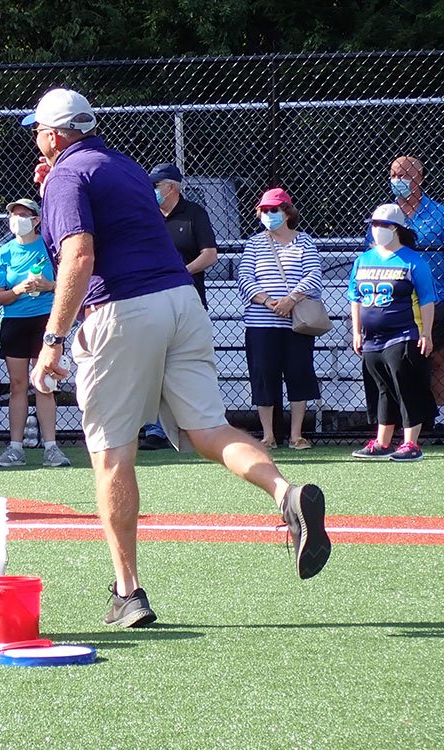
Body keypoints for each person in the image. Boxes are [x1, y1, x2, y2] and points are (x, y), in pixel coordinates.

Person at [22, 87, 331, 628]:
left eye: (38, 133)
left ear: (53, 135)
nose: (36, 143)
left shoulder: (68, 175)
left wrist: (51, 341)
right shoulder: (123, 166)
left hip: (121, 309)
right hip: (182, 303)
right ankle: (286, 492)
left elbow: (79, 254)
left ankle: (129, 593)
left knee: (111, 453)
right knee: (206, 429)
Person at [236, 187, 323, 450]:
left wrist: (290, 300)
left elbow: (314, 276)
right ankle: (268, 435)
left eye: (273, 210)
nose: (268, 215)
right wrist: (266, 300)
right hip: (261, 324)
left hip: (297, 323)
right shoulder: (254, 243)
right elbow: (244, 278)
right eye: (264, 210)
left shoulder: (305, 241)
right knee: (264, 377)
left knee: (299, 374)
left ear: (287, 213)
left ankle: (297, 435)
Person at [139, 163, 219, 450]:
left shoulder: (195, 213)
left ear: (172, 187)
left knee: (185, 364)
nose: (152, 191)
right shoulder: (146, 216)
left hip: (188, 301)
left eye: (157, 185)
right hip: (151, 302)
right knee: (152, 365)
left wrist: (181, 273)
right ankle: (154, 429)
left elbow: (210, 254)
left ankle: (194, 429)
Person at [348, 204, 437, 461]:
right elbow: (355, 298)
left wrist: (426, 334)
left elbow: (427, 299)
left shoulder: (412, 260)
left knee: (406, 385)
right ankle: (382, 441)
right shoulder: (363, 259)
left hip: (403, 333)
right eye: (374, 225)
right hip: (372, 338)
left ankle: (411, 443)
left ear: (397, 229)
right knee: (381, 388)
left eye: (383, 226)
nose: (376, 230)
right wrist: (356, 332)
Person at [0, 199, 71, 468]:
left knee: (44, 384)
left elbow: (69, 284)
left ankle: (51, 448)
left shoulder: (50, 247)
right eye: (14, 215)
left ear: (36, 220)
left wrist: (48, 285)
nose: (18, 220)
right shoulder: (4, 253)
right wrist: (19, 290)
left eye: (24, 215)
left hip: (46, 321)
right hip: (15, 322)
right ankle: (15, 449)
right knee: (17, 386)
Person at [384, 155, 444, 409]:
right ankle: (411, 418)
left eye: (403, 175)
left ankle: (439, 417)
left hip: (436, 296)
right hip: (396, 301)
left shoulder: (440, 213)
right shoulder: (386, 215)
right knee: (403, 360)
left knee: (438, 358)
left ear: (419, 177)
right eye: (393, 175)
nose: (397, 180)